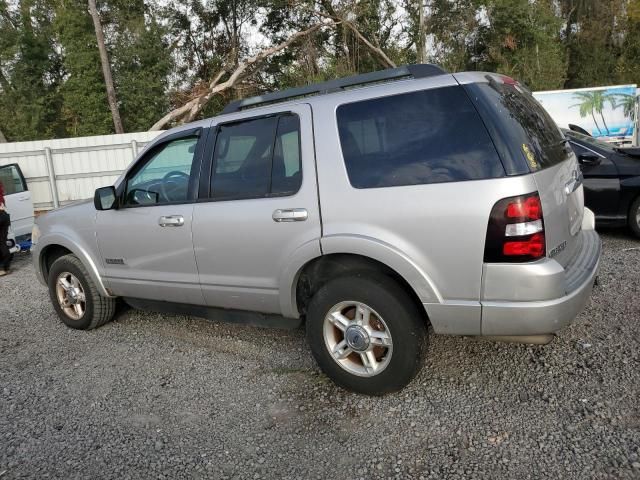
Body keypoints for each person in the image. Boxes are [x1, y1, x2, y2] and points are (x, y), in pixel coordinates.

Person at [0, 179, 11, 276]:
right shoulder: (1, 192)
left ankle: (3, 268)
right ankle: (6, 267)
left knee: (1, 243)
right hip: (4, 216)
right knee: (2, 242)